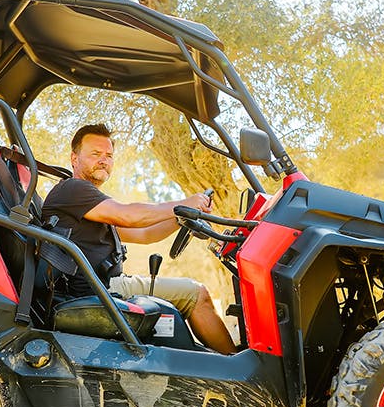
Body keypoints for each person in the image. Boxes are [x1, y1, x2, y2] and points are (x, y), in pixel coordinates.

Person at [41, 123, 237, 355]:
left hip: (107, 283)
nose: (103, 160)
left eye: (109, 155)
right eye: (95, 154)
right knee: (196, 294)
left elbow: (145, 234)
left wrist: (182, 218)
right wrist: (183, 204)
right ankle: (239, 372)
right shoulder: (73, 189)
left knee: (193, 292)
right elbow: (130, 216)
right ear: (74, 158)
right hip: (97, 289)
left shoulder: (89, 204)